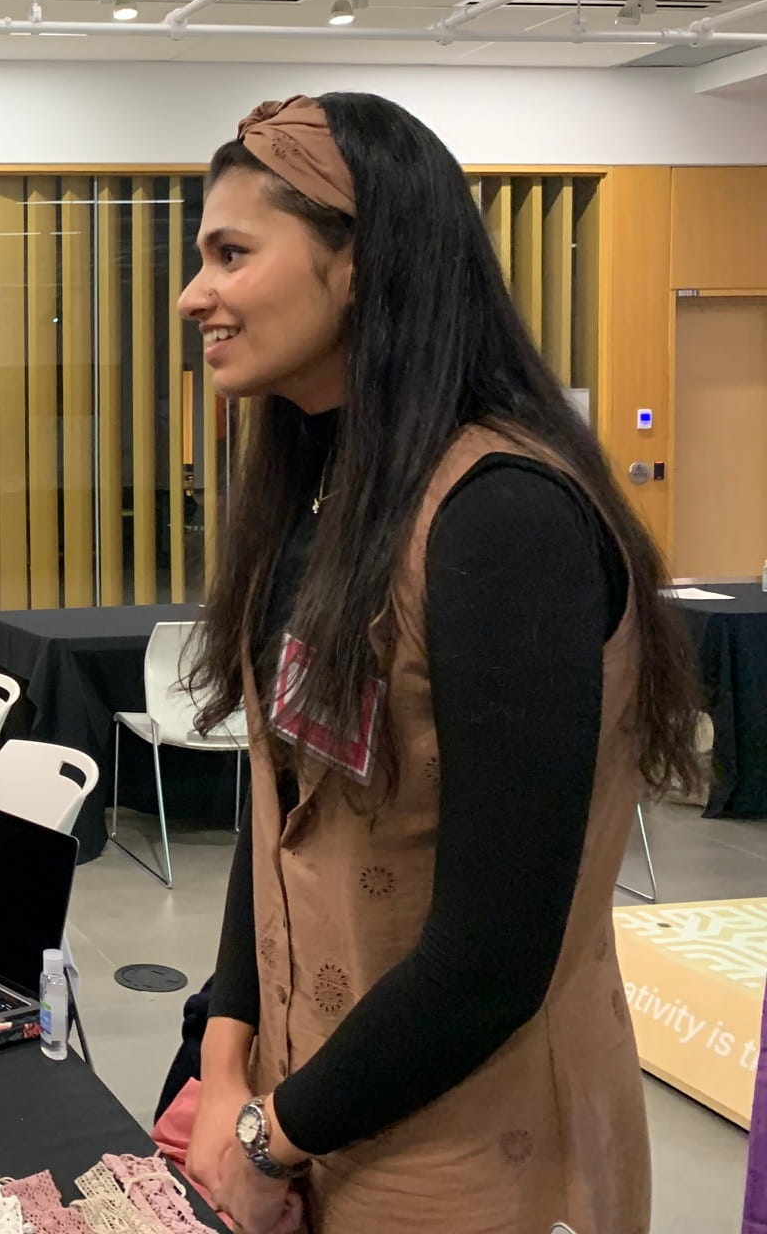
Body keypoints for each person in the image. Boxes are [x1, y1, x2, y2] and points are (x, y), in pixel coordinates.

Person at [173, 95, 700, 1234]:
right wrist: (225, 1065)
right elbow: (278, 813)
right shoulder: (321, 487)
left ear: (361, 263)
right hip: (315, 1100)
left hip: (467, 1148)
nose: (193, 295)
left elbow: (493, 953)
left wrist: (271, 1134)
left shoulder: (502, 519)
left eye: (231, 253)